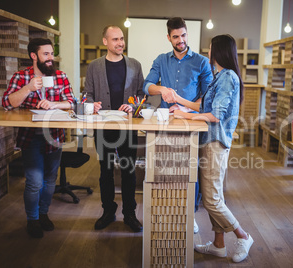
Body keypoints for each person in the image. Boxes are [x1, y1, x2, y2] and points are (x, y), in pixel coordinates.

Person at [172, 34, 253, 263]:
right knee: (213, 195)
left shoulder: (227, 77)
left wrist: (183, 114)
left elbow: (215, 115)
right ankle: (219, 245)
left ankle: (243, 236)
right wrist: (182, 105)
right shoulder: (220, 77)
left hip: (215, 143)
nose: (207, 52)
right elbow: (202, 106)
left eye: (209, 49)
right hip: (210, 142)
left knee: (212, 200)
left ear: (217, 52)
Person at [143, 17, 213, 233]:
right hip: (166, 122)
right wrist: (161, 90)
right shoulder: (161, 60)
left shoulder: (202, 62)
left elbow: (208, 96)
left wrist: (188, 110)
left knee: (190, 170)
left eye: (183, 35)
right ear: (169, 38)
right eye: (176, 37)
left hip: (191, 122)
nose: (180, 40)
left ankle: (189, 214)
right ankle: (166, 210)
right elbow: (147, 86)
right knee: (166, 167)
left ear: (187, 34)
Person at [2, 38, 75, 238]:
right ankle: (32, 219)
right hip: (31, 137)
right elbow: (8, 104)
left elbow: (71, 102)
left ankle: (43, 214)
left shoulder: (60, 76)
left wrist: (55, 105)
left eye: (52, 54)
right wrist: (28, 88)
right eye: (46, 54)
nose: (51, 58)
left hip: (55, 136)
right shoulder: (21, 76)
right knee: (34, 181)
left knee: (50, 179)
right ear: (34, 56)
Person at [84, 25, 144, 232]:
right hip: (103, 127)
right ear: (105, 42)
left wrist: (134, 105)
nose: (120, 43)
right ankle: (108, 211)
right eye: (115, 39)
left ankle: (130, 214)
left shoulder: (135, 65)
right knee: (106, 170)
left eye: (122, 39)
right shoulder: (94, 66)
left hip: (127, 128)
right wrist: (92, 105)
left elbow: (141, 95)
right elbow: (88, 95)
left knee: (128, 171)